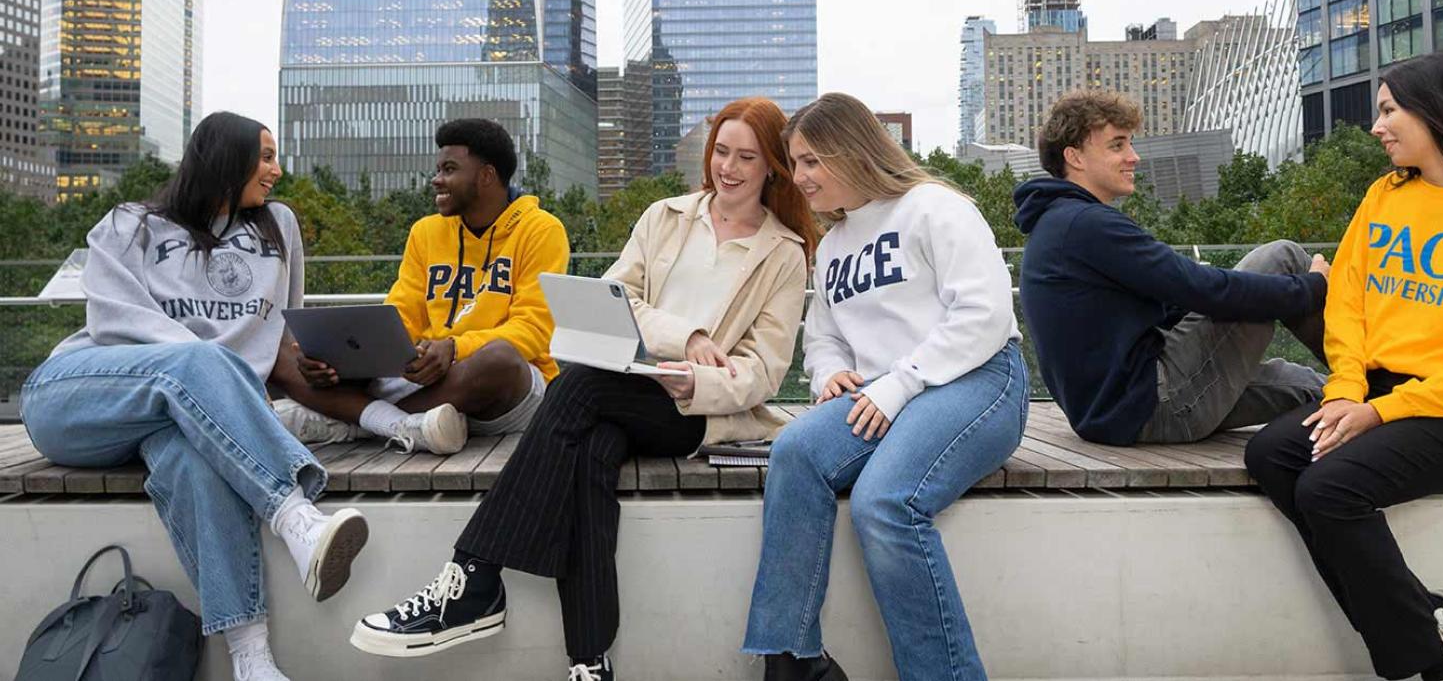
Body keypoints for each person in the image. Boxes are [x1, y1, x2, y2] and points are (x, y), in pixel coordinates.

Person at [348, 98, 818, 681]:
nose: (729, 167)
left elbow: (765, 369)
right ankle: (589, 663)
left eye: (747, 157)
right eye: (721, 151)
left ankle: (473, 576)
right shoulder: (665, 217)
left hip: (694, 407)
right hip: (627, 384)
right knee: (589, 452)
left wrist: (695, 376)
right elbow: (617, 297)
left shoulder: (784, 252)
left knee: (578, 386)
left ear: (771, 166)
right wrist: (687, 336)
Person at [20, 113, 368, 681]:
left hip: (182, 410)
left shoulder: (277, 227)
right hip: (79, 395)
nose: (277, 170)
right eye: (265, 156)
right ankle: (296, 517)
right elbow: (114, 320)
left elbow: (281, 329)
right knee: (196, 361)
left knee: (195, 463)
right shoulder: (131, 223)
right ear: (227, 159)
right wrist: (213, 373)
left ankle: (251, 659)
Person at [1245, 53, 1443, 681]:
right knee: (1272, 455)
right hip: (1374, 394)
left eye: (1389, 110)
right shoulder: (1385, 196)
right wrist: (1345, 391)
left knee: (1329, 489)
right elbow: (1348, 303)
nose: (1376, 126)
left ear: (1438, 111)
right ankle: (1434, 620)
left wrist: (1382, 411)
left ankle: (1428, 670)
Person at [742, 92, 1026, 681]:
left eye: (812, 161)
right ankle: (793, 661)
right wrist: (829, 374)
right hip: (881, 394)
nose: (799, 176)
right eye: (795, 163)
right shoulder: (834, 245)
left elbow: (985, 314)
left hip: (977, 378)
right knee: (794, 452)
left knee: (885, 500)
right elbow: (823, 337)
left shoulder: (934, 207)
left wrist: (900, 383)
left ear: (853, 150)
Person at [1014, 88, 1330, 445]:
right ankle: (1373, 375)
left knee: (1314, 389)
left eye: (1131, 143)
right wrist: (1313, 288)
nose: (1133, 157)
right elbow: (1202, 289)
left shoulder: (1060, 223)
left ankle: (1370, 397)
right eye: (1117, 145)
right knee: (1283, 258)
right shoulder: (1085, 224)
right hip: (1157, 402)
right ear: (1075, 157)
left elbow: (1173, 304)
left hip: (1121, 412)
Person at [275, 118, 570, 455]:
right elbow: (404, 314)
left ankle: (355, 424)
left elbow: (533, 331)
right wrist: (347, 354)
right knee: (296, 355)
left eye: (449, 169)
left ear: (486, 176)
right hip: (429, 381)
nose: (436, 179)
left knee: (500, 359)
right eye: (438, 169)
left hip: (502, 388)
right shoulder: (426, 231)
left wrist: (454, 349)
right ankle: (396, 422)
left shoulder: (541, 230)